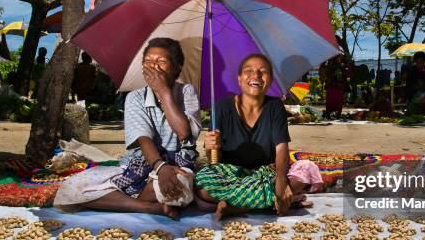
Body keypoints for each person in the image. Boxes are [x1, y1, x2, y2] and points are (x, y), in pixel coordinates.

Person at [53, 37, 202, 218]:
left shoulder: (187, 92)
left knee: (178, 186)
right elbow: (143, 139)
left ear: (177, 68)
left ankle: (137, 197)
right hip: (142, 164)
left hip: (178, 163)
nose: (153, 66)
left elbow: (184, 133)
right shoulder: (135, 97)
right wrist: (160, 167)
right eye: (147, 61)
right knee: (71, 188)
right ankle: (148, 207)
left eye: (161, 62)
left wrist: (164, 92)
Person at [194, 54, 312, 220]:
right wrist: (210, 147)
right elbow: (216, 162)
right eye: (248, 71)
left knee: (304, 172)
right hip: (232, 175)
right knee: (203, 189)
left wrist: (281, 183)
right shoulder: (221, 107)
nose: (256, 75)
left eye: (262, 72)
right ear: (240, 79)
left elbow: (281, 149)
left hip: (265, 174)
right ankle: (263, 202)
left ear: (270, 81)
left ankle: (236, 206)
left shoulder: (275, 106)